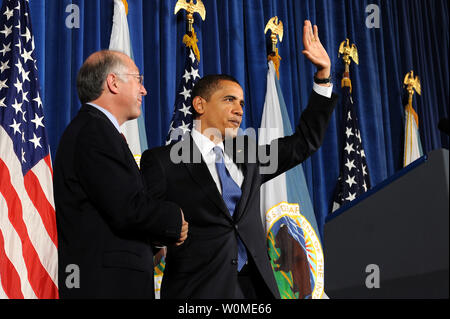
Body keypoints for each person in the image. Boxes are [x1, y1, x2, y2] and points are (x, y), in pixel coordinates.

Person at [140, 20, 338, 299]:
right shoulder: (163, 162)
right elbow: (147, 226)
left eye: (242, 103)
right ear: (199, 105)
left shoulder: (249, 155)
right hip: (198, 294)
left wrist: (323, 77)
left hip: (256, 291)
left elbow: (305, 142)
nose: (238, 109)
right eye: (229, 100)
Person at [53, 50, 188, 299]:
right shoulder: (94, 132)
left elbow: (109, 209)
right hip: (107, 287)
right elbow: (128, 208)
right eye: (138, 79)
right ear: (113, 83)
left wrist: (154, 242)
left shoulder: (97, 130)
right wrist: (175, 218)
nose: (144, 90)